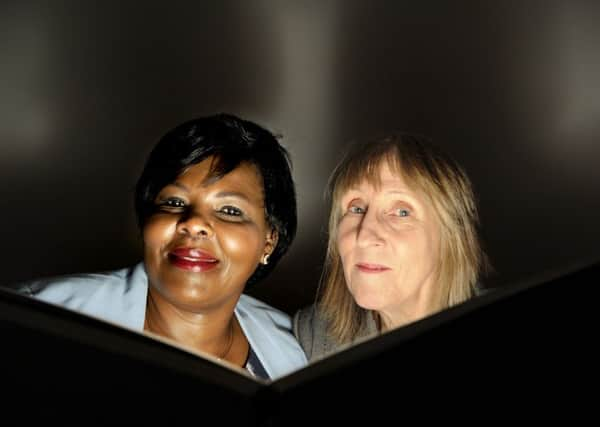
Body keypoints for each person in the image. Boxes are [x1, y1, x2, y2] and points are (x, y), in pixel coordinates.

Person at [9, 113, 308, 380]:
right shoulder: (32, 320)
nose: (194, 223)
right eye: (174, 202)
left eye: (229, 210)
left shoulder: (298, 351)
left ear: (269, 240)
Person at [294, 132, 490, 362]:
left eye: (402, 212)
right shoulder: (313, 336)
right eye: (356, 208)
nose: (364, 236)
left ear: (451, 236)